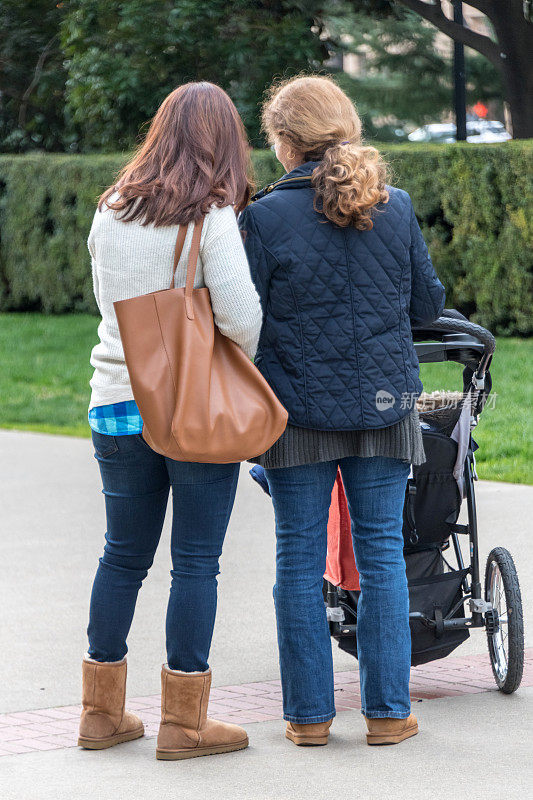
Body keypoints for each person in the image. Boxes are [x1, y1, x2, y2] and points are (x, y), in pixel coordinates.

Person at [239, 75, 445, 747]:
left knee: (297, 560)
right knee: (382, 556)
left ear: (283, 140)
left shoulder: (264, 216)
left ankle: (308, 718)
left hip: (294, 411)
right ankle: (388, 713)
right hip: (383, 405)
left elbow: (243, 318)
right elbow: (426, 308)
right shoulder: (396, 205)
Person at [79, 82, 262, 760]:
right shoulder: (210, 216)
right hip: (193, 411)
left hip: (116, 402)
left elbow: (112, 304)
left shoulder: (111, 209)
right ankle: (183, 726)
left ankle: (101, 714)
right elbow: (242, 319)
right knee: (194, 564)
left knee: (121, 556)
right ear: (223, 142)